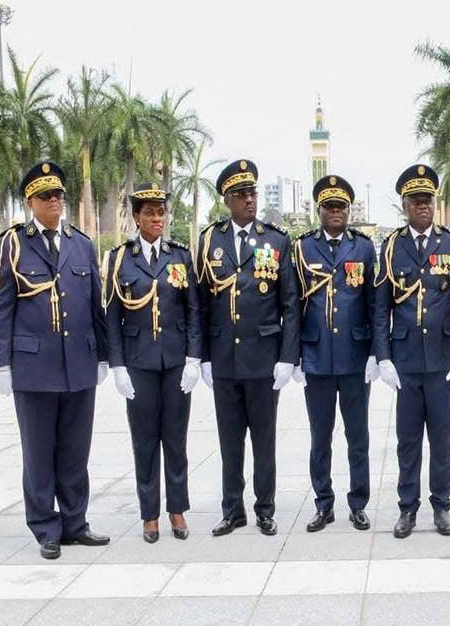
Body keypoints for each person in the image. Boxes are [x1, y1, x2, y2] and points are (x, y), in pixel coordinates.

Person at [0, 161, 110, 559]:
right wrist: (1, 363)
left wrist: (103, 354)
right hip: (34, 368)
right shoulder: (13, 243)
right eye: (46, 196)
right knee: (39, 452)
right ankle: (45, 526)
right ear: (30, 203)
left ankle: (76, 522)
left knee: (75, 450)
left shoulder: (81, 243)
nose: (55, 201)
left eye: (58, 194)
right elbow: (2, 306)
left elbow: (95, 304)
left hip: (78, 363)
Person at [196, 159, 300, 537]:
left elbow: (290, 302)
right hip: (224, 358)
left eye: (252, 193)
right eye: (241, 195)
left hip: (263, 357)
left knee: (264, 439)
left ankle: (265, 508)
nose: (249, 200)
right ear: (227, 199)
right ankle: (232, 509)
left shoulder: (275, 240)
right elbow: (200, 302)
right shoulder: (210, 240)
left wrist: (287, 357)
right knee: (229, 441)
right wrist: (202, 357)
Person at [373, 164, 450, 539]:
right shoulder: (392, 245)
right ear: (405, 205)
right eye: (416, 201)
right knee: (408, 440)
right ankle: (407, 508)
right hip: (407, 360)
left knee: (442, 438)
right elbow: (381, 306)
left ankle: (442, 506)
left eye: (428, 199)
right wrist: (383, 356)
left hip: (443, 359)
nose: (423, 206)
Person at [103, 183, 201, 542]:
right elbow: (112, 316)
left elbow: (193, 311)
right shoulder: (120, 259)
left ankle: (177, 510)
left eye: (161, 212)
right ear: (137, 217)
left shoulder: (180, 257)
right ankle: (149, 515)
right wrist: (117, 365)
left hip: (175, 360)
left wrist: (194, 358)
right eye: (149, 212)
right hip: (139, 362)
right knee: (144, 440)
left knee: (175, 438)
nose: (157, 218)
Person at [292, 174, 378, 532]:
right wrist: (294, 355)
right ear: (320, 210)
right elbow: (293, 304)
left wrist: (376, 353)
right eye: (329, 206)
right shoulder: (303, 248)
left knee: (357, 436)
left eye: (341, 206)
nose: (335, 212)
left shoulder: (363, 247)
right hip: (316, 357)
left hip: (355, 356)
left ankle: (358, 503)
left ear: (348, 210)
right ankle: (323, 503)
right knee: (320, 436)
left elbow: (375, 304)